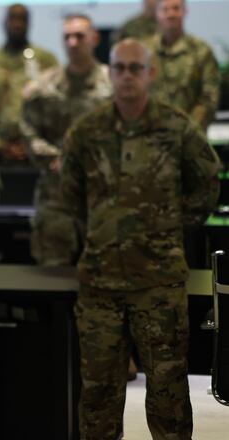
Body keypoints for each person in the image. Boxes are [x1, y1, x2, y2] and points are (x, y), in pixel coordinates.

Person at [60, 39, 221, 439]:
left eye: (136, 68)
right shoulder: (88, 131)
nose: (127, 76)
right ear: (110, 73)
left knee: (168, 391)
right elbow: (71, 192)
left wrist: (170, 225)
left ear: (150, 73)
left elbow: (207, 182)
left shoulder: (176, 127)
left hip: (159, 282)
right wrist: (104, 228)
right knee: (98, 393)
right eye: (120, 68)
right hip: (101, 282)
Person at [21, 13, 112, 267]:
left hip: (103, 198)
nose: (73, 42)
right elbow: (29, 131)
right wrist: (56, 159)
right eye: (67, 37)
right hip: (56, 198)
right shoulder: (44, 87)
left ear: (94, 38)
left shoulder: (113, 84)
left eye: (79, 36)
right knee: (53, 276)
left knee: (105, 273)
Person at [0, 3, 57, 165]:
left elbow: (56, 105)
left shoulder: (45, 60)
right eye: (12, 19)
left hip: (38, 153)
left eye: (22, 19)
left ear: (29, 23)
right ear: (3, 22)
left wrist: (34, 142)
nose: (17, 24)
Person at [145, 0, 220, 130]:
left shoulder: (201, 51)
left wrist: (187, 130)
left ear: (185, 11)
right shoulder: (144, 52)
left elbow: (209, 97)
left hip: (192, 134)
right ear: (156, 13)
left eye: (176, 8)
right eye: (165, 9)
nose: (171, 14)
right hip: (149, 133)